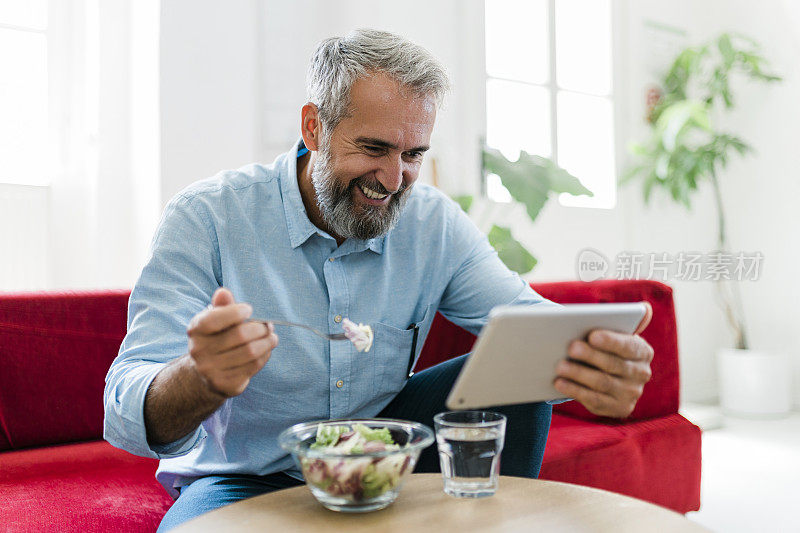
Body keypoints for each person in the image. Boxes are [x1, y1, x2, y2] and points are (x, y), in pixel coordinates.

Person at [104, 29, 654, 531]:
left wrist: (598, 360)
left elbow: (528, 323)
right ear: (313, 127)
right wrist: (200, 377)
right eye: (373, 148)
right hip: (244, 474)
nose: (394, 180)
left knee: (519, 377)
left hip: (385, 447)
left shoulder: (433, 223)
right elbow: (123, 410)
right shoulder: (208, 217)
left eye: (413, 154)